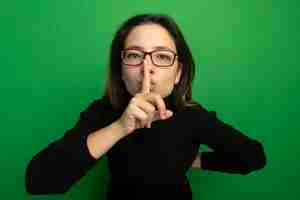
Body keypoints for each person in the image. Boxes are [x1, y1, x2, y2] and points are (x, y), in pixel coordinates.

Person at [25, 14, 267, 199]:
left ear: (177, 73)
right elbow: (38, 182)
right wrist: (120, 127)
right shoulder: (103, 112)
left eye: (162, 56)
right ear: (120, 70)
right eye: (134, 55)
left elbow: (254, 157)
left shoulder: (192, 115)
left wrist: (193, 160)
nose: (147, 68)